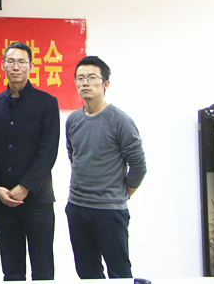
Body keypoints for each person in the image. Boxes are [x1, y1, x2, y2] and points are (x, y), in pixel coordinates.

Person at [0, 41, 60, 281]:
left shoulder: (46, 103)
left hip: (37, 202)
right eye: (11, 61)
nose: (15, 67)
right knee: (12, 271)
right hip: (3, 203)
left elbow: (48, 152)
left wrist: (25, 186)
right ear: (2, 65)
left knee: (43, 271)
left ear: (31, 66)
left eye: (21, 62)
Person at [65, 55, 147, 279]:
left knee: (119, 273)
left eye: (92, 77)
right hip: (77, 207)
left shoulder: (120, 120)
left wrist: (123, 193)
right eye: (80, 78)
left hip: (109, 210)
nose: (85, 83)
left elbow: (138, 165)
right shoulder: (73, 120)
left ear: (105, 84)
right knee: (87, 272)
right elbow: (74, 157)